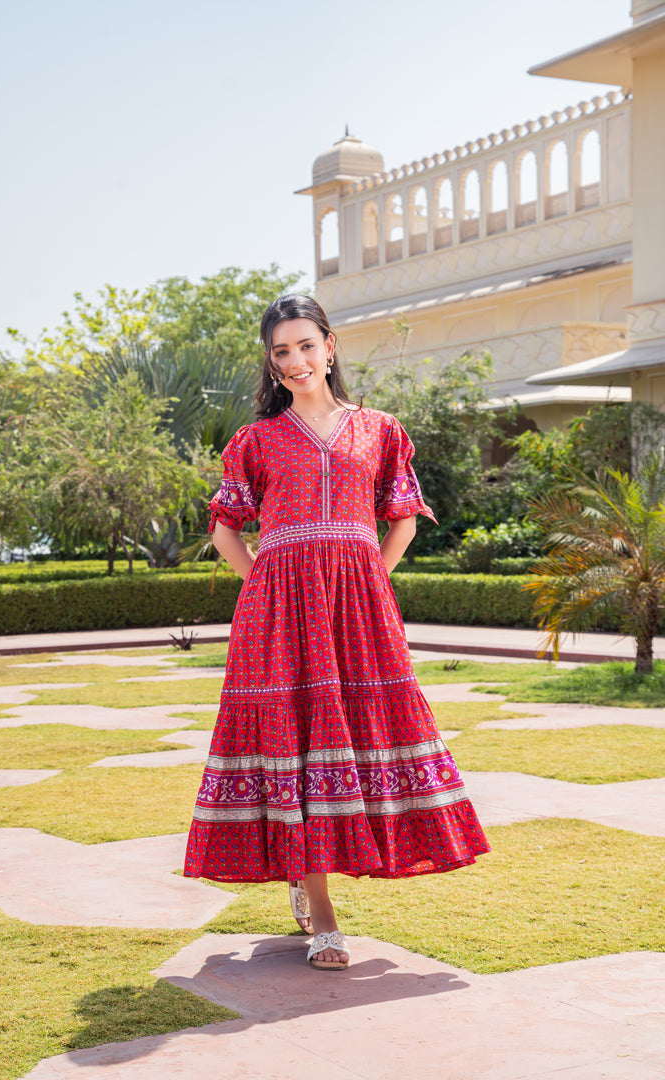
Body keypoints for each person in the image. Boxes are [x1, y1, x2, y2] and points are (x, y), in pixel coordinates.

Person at [183, 294, 490, 970]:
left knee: (363, 733)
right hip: (279, 612)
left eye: (304, 345)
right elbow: (224, 526)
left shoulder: (381, 430)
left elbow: (403, 517)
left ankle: (315, 869)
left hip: (359, 608)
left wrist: (371, 579)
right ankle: (323, 918)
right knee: (296, 741)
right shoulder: (255, 440)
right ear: (271, 362)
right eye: (281, 352)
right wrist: (264, 579)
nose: (295, 361)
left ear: (330, 346)